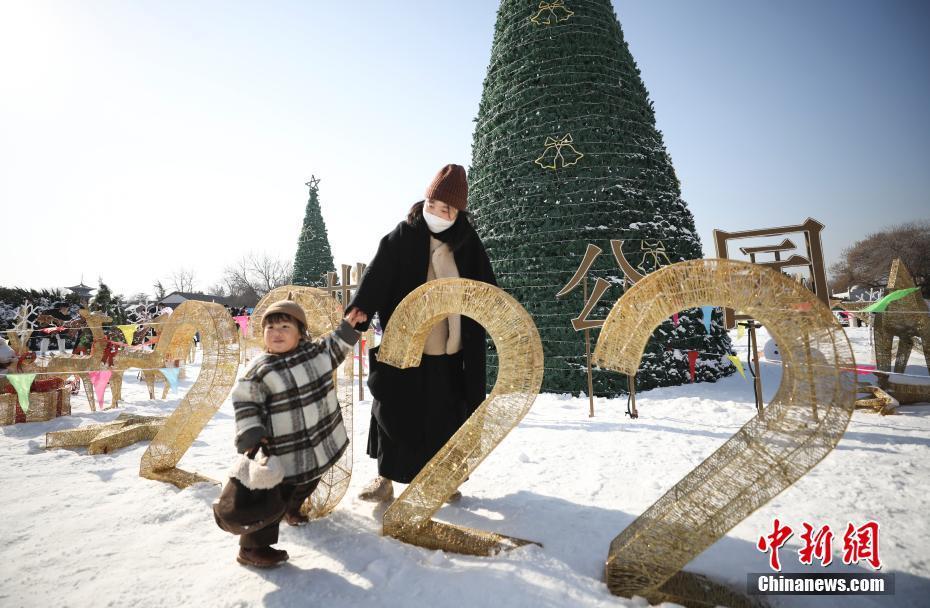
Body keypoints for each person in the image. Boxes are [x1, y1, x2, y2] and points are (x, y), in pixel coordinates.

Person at [347, 163, 497, 503]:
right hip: (405, 346)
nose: (436, 213)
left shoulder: (467, 243)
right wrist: (362, 306)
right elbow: (378, 275)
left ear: (458, 212)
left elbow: (488, 289)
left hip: (449, 349)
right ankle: (384, 478)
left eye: (445, 209)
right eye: (432, 205)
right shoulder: (403, 235)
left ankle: (444, 480)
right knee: (393, 412)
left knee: (445, 416)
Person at [231, 298, 366, 568]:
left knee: (309, 480)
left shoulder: (315, 355)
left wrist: (349, 328)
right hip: (284, 447)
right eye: (270, 328)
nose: (276, 332)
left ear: (301, 333)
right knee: (273, 496)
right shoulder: (260, 369)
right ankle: (252, 547)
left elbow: (336, 345)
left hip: (318, 440)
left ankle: (292, 509)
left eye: (284, 326)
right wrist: (251, 432)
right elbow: (245, 400)